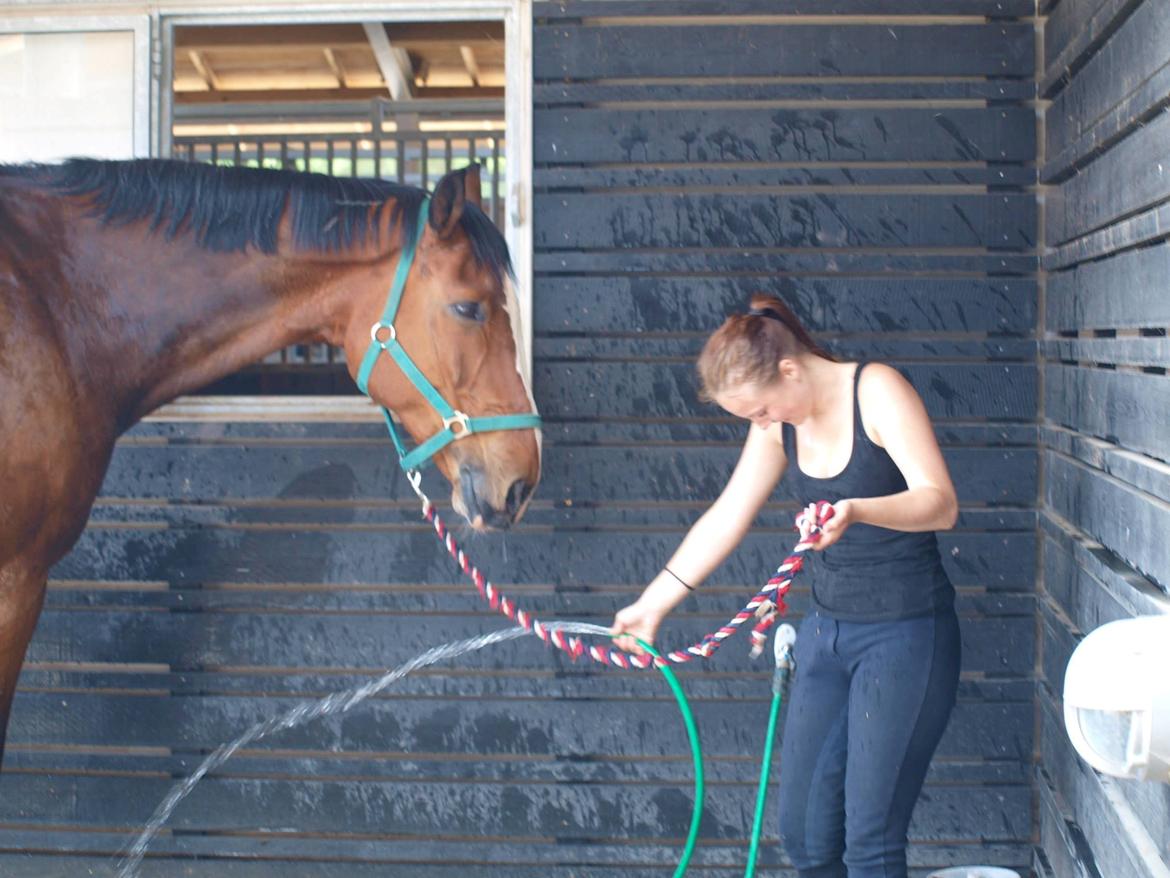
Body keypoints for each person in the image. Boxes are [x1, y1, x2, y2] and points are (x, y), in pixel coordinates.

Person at [609, 294, 962, 878]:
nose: (762, 425)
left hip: (906, 635)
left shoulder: (875, 391)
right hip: (827, 632)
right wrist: (653, 604)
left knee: (869, 844)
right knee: (804, 837)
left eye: (762, 411)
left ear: (790, 371)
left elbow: (940, 503)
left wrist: (856, 511)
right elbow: (728, 514)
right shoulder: (780, 425)